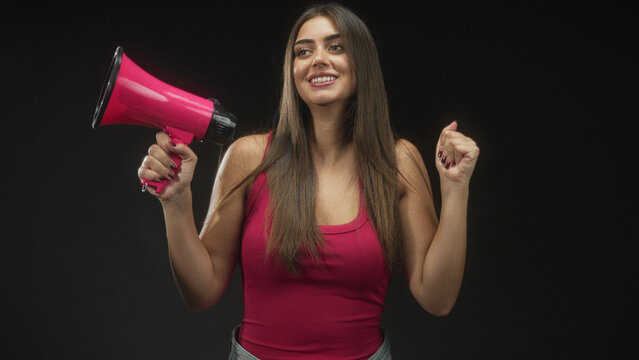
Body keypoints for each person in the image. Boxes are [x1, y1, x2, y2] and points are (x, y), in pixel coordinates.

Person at [137, 2, 479, 359]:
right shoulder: (249, 158)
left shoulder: (397, 162)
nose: (318, 59)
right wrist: (176, 203)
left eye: (336, 46)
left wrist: (455, 189)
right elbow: (200, 292)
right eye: (304, 51)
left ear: (362, 65)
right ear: (293, 70)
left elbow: (437, 298)